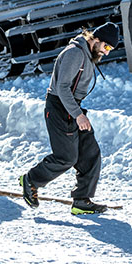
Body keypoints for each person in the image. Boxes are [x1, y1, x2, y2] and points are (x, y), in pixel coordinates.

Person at [19, 21, 119, 215]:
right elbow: (62, 88)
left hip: (72, 107)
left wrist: (78, 113)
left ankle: (82, 200)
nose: (107, 52)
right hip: (59, 107)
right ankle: (31, 179)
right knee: (66, 157)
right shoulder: (75, 54)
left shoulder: (87, 54)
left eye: (110, 49)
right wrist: (78, 115)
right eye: (106, 46)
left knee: (90, 153)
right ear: (96, 40)